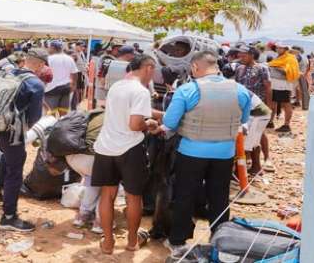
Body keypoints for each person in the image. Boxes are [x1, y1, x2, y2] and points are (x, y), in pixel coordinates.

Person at [163, 50, 252, 258]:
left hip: (191, 152)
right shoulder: (240, 90)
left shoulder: (187, 90)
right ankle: (220, 243)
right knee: (219, 197)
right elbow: (244, 119)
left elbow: (169, 123)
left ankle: (178, 241)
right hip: (224, 153)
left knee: (185, 194)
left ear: (195, 67)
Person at [93, 54, 163, 254]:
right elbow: (135, 124)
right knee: (134, 197)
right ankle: (132, 242)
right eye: (153, 70)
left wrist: (156, 115)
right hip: (130, 149)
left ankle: (107, 243)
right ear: (148, 68)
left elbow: (123, 111)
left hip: (105, 147)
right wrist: (150, 124)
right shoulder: (140, 91)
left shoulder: (116, 86)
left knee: (107, 196)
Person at [0, 48, 46, 232]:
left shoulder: (9, 72)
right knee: (15, 170)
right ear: (41, 65)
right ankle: (9, 217)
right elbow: (34, 118)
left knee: (9, 155)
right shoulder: (36, 83)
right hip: (12, 131)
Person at [235, 45, 273, 175]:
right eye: (240, 55)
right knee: (249, 136)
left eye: (244, 55)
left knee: (258, 135)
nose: (241, 57)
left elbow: (268, 87)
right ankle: (250, 163)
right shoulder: (239, 69)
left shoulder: (262, 68)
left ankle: (264, 160)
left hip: (258, 106)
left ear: (252, 55)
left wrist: (269, 105)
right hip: (244, 107)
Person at [268, 43, 299, 133]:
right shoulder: (279, 57)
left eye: (280, 48)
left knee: (286, 104)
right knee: (272, 102)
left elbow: (291, 71)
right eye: (277, 48)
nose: (278, 49)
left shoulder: (290, 58)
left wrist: (276, 67)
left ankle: (286, 125)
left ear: (285, 49)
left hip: (283, 84)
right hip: (275, 83)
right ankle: (270, 122)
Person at [44, 40, 79, 115]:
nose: (48, 49)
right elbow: (75, 73)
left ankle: (53, 126)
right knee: (63, 113)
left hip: (51, 89)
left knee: (50, 114)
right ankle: (62, 125)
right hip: (66, 88)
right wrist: (74, 84)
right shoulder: (69, 58)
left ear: (53, 47)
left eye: (49, 47)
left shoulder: (48, 59)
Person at [292, 46, 310, 110]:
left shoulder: (297, 57)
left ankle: (291, 103)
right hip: (303, 74)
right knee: (302, 90)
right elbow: (308, 67)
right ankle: (303, 104)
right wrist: (305, 74)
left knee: (290, 89)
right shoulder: (305, 58)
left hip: (297, 74)